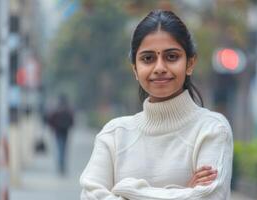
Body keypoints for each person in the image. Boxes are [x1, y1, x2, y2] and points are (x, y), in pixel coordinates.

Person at [80, 10, 233, 200]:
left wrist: (128, 190)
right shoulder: (114, 135)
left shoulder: (211, 129)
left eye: (171, 57)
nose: (159, 68)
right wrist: (184, 193)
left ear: (190, 63)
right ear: (135, 69)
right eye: (148, 58)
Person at [48, 94, 74, 175]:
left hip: (58, 132)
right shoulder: (68, 110)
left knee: (60, 148)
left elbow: (50, 120)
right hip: (65, 132)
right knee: (63, 149)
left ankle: (60, 165)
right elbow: (72, 121)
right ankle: (62, 165)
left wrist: (53, 128)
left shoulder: (56, 110)